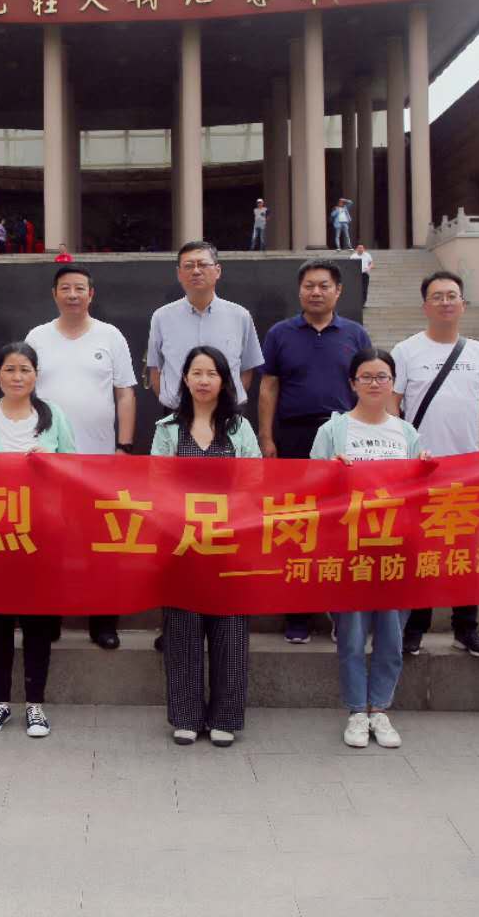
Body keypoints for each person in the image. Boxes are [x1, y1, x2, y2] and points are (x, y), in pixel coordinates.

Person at [311, 348, 427, 750]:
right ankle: (356, 711)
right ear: (352, 383)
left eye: (382, 376)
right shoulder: (333, 431)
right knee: (352, 633)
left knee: (391, 635)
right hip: (349, 548)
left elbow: (419, 493)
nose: (375, 383)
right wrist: (330, 473)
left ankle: (380, 708)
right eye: (366, 376)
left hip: (395, 549)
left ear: (393, 383)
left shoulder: (406, 433)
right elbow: (310, 487)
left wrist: (425, 469)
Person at [258, 259, 373, 645]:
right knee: (297, 526)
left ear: (338, 291)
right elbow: (269, 387)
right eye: (309, 285)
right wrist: (266, 437)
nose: (316, 292)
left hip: (343, 437)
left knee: (341, 526)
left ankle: (341, 613)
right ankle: (298, 616)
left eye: (324, 285)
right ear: (300, 290)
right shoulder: (280, 333)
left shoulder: (354, 334)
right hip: (293, 436)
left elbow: (367, 385)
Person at [0, 342, 76, 738]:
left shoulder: (53, 416)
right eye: (10, 369)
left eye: (25, 369)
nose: (17, 377)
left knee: (37, 622)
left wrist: (51, 462)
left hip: (41, 533)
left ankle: (35, 705)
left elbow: (74, 467)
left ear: (36, 375)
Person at [151, 346, 260, 747]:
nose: (203, 380)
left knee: (230, 632)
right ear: (184, 379)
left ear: (223, 381)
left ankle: (225, 717)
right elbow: (157, 484)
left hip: (229, 543)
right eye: (196, 373)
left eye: (211, 373)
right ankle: (186, 716)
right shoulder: (167, 428)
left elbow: (254, 481)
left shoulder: (239, 428)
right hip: (181, 544)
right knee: (182, 629)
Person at [26, 264, 138, 650]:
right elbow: (23, 393)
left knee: (101, 544)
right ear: (54, 294)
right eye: (65, 288)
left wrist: (124, 447)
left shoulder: (110, 336)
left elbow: (125, 393)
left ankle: (103, 622)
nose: (72, 295)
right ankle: (48, 620)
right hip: (47, 459)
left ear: (91, 294)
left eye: (79, 288)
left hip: (99, 460)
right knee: (48, 543)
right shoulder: (37, 337)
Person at [394, 270, 479, 658]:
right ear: (425, 305)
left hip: (467, 469)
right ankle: (415, 629)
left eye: (451, 295)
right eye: (437, 296)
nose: (445, 302)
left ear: (463, 304)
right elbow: (393, 406)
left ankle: (465, 628)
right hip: (420, 468)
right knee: (420, 551)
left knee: (465, 553)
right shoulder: (406, 351)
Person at [145, 241, 264, 414]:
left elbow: (247, 369)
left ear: (217, 271)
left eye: (202, 264)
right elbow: (155, 370)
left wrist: (229, 402)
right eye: (188, 266)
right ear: (179, 273)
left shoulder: (240, 316)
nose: (196, 271)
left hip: (226, 414)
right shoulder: (161, 317)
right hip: (177, 414)